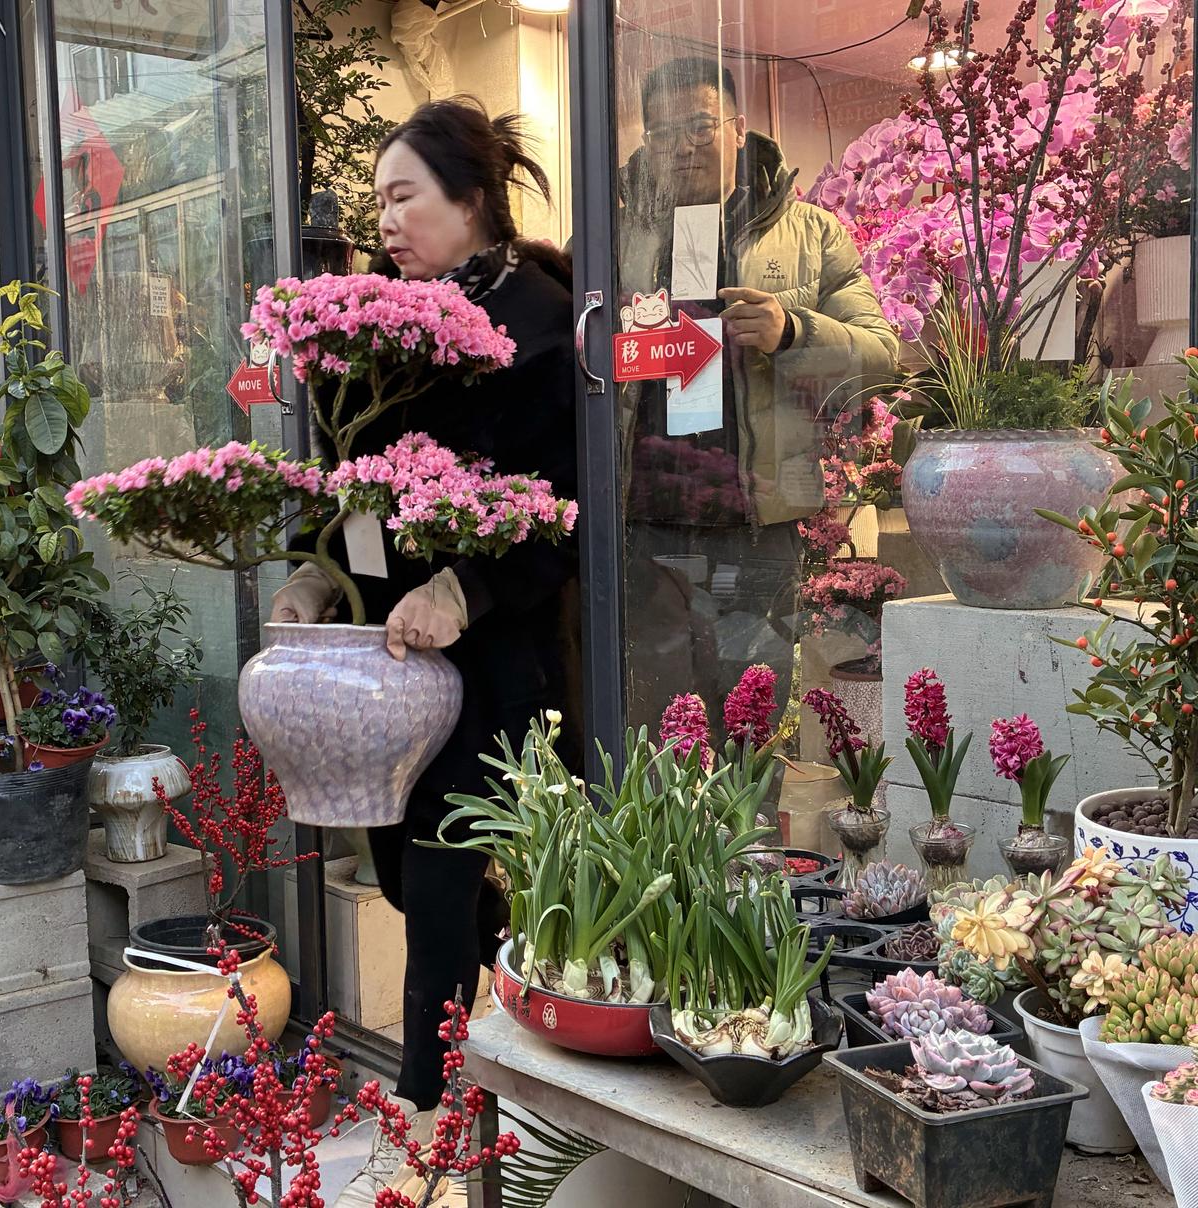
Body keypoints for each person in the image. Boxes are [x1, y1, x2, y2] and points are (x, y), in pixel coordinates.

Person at [268, 98, 579, 1208]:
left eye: (405, 197)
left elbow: (566, 514)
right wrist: (316, 571)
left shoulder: (540, 323)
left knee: (440, 887)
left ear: (471, 200)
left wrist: (464, 587)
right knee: (406, 876)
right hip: (394, 670)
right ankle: (509, 1028)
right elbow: (350, 479)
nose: (386, 221)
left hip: (495, 664)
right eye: (380, 201)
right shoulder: (390, 324)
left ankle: (426, 1125)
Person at [618, 56, 898, 731]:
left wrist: (791, 331)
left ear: (738, 128)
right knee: (651, 728)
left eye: (698, 125)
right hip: (642, 524)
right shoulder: (614, 235)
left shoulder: (810, 234)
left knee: (751, 721)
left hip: (756, 527)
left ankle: (749, 808)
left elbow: (880, 357)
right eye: (662, 133)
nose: (681, 146)